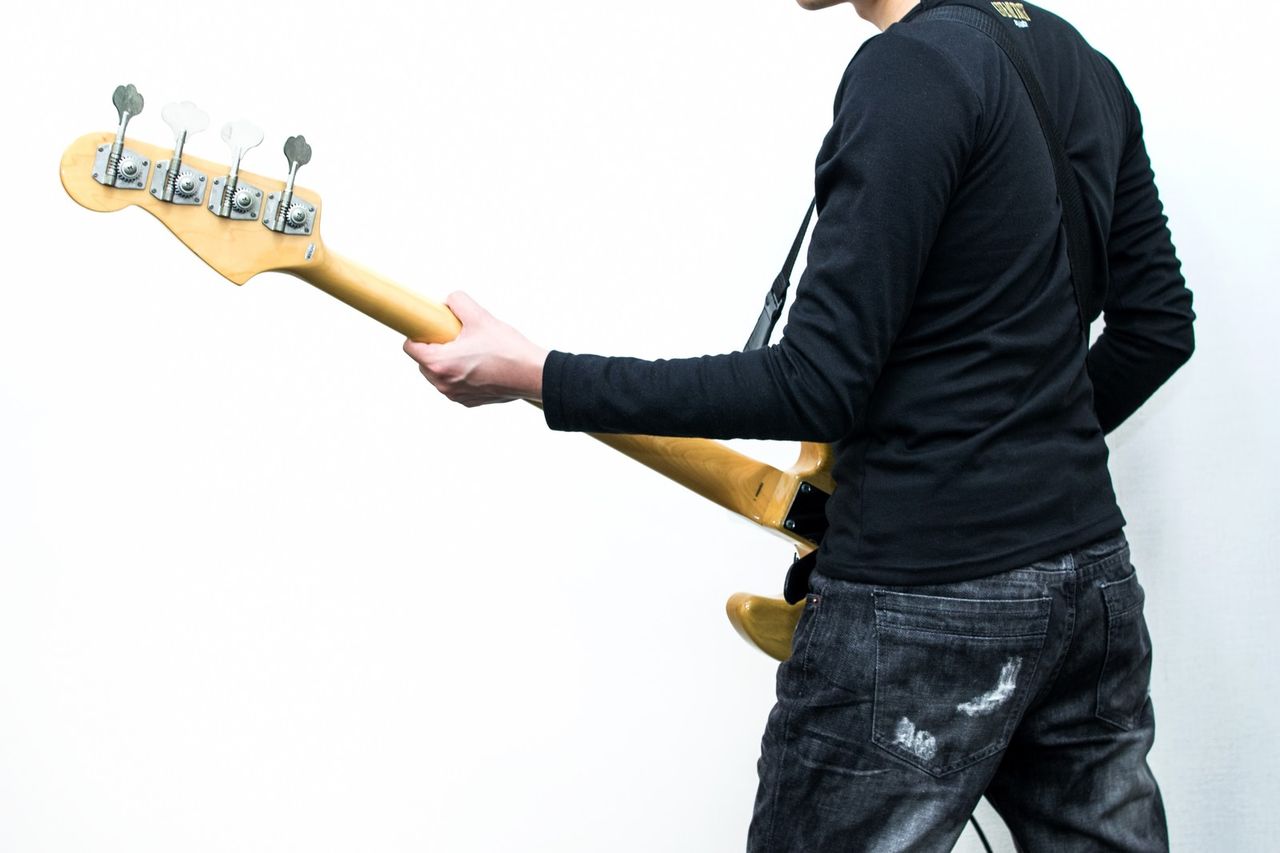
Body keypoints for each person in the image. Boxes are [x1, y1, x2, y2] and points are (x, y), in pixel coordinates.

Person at [403, 0, 1195, 848]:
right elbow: (1158, 328)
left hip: (923, 599)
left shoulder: (911, 70)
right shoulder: (1083, 65)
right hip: (1090, 579)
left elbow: (816, 382)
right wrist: (1014, 450)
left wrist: (540, 374)